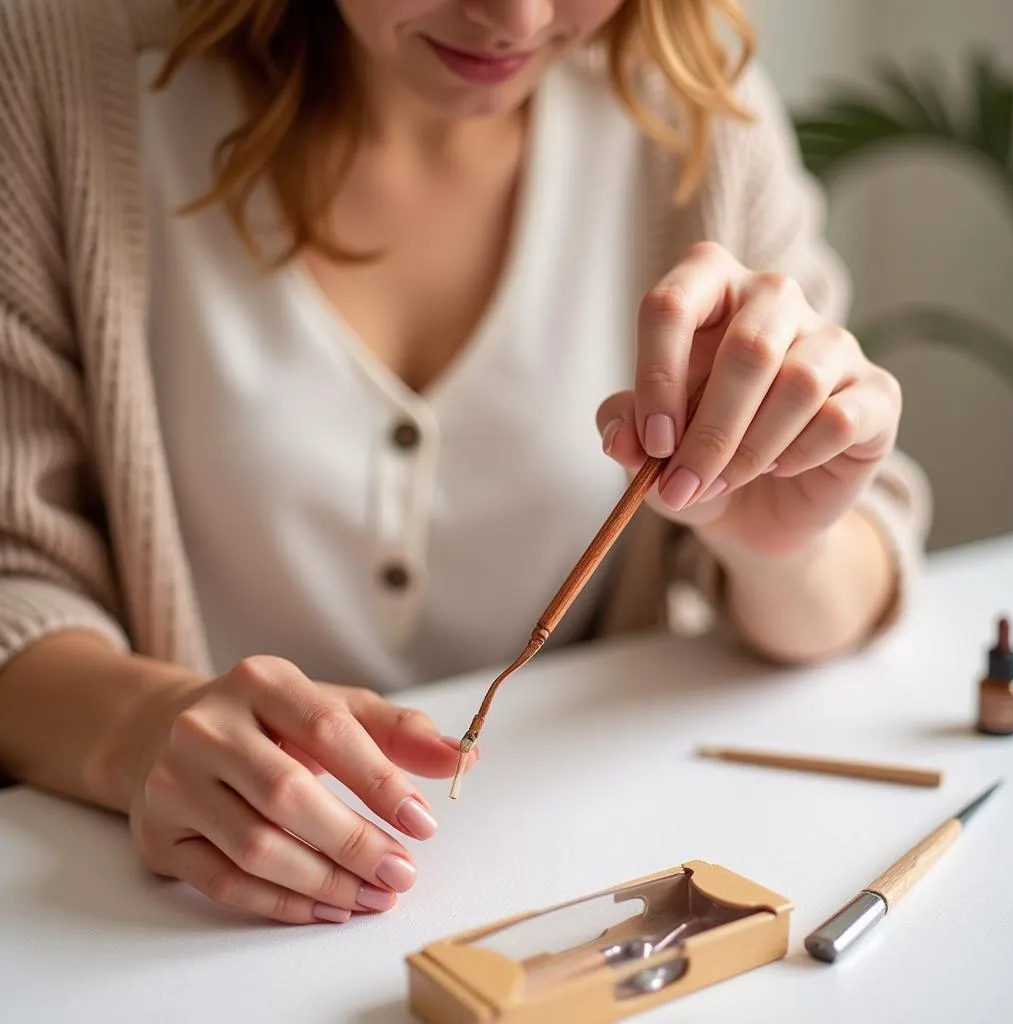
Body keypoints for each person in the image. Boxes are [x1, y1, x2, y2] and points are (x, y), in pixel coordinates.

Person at [0, 0, 931, 926]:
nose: (517, 18)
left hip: (570, 888)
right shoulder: (56, 66)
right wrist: (135, 730)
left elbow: (850, 585)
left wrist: (781, 544)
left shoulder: (690, 106)